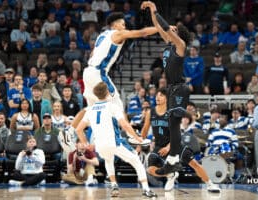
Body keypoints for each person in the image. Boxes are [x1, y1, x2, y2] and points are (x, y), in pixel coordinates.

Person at [76, 82, 157, 198]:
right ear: (107, 92)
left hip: (99, 145)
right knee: (136, 161)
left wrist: (86, 144)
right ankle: (146, 189)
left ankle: (114, 185)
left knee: (109, 160)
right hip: (113, 142)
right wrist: (136, 137)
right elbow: (124, 125)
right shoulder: (112, 106)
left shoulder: (90, 109)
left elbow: (79, 129)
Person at [141, 0, 191, 175]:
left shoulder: (180, 46)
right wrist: (151, 13)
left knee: (175, 125)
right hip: (171, 88)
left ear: (179, 34)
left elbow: (165, 26)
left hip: (179, 88)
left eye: (174, 29)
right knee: (172, 124)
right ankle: (173, 161)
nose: (170, 29)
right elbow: (160, 27)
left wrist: (155, 9)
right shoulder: (169, 45)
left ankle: (174, 159)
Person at [141, 88, 220, 192]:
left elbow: (176, 133)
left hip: (175, 145)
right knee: (150, 169)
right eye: (157, 95)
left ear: (167, 98)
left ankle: (210, 184)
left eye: (161, 95)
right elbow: (145, 131)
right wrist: (138, 140)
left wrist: (169, 147)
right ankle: (170, 174)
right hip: (159, 146)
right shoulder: (150, 112)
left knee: (194, 164)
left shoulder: (172, 113)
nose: (157, 97)